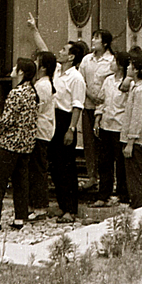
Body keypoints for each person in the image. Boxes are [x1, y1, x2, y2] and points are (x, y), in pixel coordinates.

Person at [27, 14, 86, 224]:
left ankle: (70, 209)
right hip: (54, 118)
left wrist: (71, 129)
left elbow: (77, 106)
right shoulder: (58, 70)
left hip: (65, 120)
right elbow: (44, 51)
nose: (59, 52)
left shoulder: (76, 78)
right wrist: (34, 30)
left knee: (66, 168)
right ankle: (62, 207)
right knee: (55, 167)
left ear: (71, 57)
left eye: (63, 50)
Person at [0, 58, 38, 232]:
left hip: (11, 143)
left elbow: (7, 120)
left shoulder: (16, 93)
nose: (13, 68)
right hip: (26, 143)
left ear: (21, 72)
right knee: (21, 181)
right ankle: (20, 218)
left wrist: (0, 132)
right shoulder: (31, 91)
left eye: (16, 67)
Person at [92, 51, 131, 207]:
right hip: (106, 125)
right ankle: (103, 194)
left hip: (120, 126)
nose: (111, 63)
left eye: (114, 61)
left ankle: (122, 194)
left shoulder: (128, 83)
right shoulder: (108, 80)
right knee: (104, 162)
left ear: (121, 65)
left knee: (121, 164)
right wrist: (97, 119)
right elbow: (101, 101)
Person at [78, 30, 114, 191]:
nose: (93, 40)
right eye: (93, 37)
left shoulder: (111, 60)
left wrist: (100, 97)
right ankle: (92, 176)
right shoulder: (87, 60)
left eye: (97, 38)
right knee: (89, 143)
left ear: (105, 43)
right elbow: (81, 80)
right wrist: (90, 95)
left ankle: (107, 178)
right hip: (88, 105)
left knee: (104, 145)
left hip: (105, 107)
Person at [121, 54, 142, 209]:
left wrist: (130, 142)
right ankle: (137, 202)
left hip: (138, 140)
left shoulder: (141, 91)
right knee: (134, 174)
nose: (127, 68)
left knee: (136, 174)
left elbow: (137, 117)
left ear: (137, 70)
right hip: (136, 139)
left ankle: (139, 204)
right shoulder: (136, 87)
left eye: (130, 66)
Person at [27, 51, 56, 221]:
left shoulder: (43, 86)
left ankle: (40, 207)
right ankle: (35, 205)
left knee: (38, 169)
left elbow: (37, 108)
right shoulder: (42, 83)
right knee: (36, 168)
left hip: (40, 130)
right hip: (40, 129)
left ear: (43, 67)